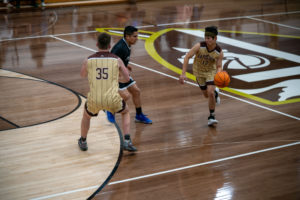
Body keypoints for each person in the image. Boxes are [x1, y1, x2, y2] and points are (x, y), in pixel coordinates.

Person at [78, 33, 137, 152]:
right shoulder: (117, 60)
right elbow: (126, 79)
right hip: (112, 99)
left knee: (86, 116)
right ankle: (126, 140)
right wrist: (117, 77)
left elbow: (82, 75)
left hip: (95, 99)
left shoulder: (88, 60)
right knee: (125, 112)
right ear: (110, 45)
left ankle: (83, 141)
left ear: (97, 44)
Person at [106, 26, 152, 124]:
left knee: (136, 91)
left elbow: (120, 59)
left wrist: (126, 65)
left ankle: (139, 115)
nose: (137, 38)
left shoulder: (127, 44)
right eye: (135, 36)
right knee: (125, 97)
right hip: (115, 76)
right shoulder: (120, 47)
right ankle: (110, 109)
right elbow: (110, 61)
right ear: (127, 36)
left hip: (123, 72)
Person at [179, 26, 223, 126]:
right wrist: (183, 73)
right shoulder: (199, 46)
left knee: (210, 92)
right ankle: (216, 94)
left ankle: (211, 116)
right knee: (206, 95)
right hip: (199, 73)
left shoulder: (219, 51)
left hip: (210, 73)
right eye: (205, 37)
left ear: (215, 38)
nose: (206, 40)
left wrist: (219, 72)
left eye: (209, 38)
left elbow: (219, 66)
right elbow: (187, 57)